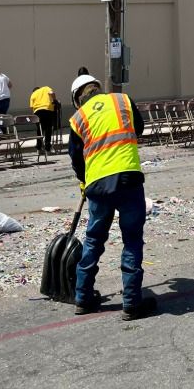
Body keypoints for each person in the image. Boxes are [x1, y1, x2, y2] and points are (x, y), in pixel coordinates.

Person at [65, 73, 156, 319]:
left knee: (94, 239)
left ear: (77, 98)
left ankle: (82, 298)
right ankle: (131, 302)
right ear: (97, 88)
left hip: (97, 186)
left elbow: (75, 158)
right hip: (128, 179)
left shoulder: (78, 118)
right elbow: (138, 128)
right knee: (132, 239)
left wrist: (84, 182)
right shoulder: (122, 100)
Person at [29, 84, 59, 152]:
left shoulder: (33, 94)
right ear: (39, 88)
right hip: (47, 109)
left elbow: (31, 107)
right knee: (48, 128)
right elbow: (52, 93)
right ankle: (47, 147)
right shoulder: (45, 88)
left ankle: (39, 147)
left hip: (37, 112)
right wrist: (54, 100)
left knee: (39, 129)